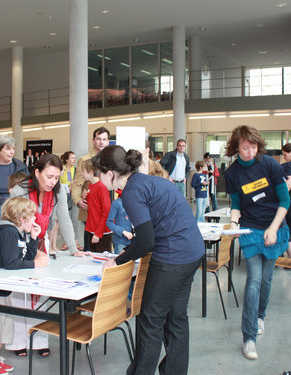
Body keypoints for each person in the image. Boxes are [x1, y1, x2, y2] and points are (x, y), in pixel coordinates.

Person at [93, 145, 204, 375]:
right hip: (192, 251)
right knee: (176, 317)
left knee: (150, 320)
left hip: (173, 257)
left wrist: (118, 260)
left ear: (110, 173)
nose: (99, 179)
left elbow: (146, 241)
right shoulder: (151, 181)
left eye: (99, 174)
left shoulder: (132, 191)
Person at [7, 154, 87, 357]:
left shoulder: (59, 192)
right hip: (20, 243)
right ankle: (19, 342)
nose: (53, 182)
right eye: (49, 176)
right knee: (20, 293)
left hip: (40, 243)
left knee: (40, 293)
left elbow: (65, 219)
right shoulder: (21, 190)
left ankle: (39, 338)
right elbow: (12, 220)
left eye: (56, 177)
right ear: (37, 172)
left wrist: (73, 248)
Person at [224, 125, 289, 360]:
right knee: (254, 281)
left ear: (258, 145)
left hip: (274, 228)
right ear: (236, 147)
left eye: (253, 146)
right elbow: (236, 203)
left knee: (267, 280)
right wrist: (233, 223)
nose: (249, 151)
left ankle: (260, 316)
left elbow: (285, 200)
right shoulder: (232, 174)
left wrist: (273, 228)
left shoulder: (269, 164)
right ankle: (248, 338)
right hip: (250, 230)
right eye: (244, 147)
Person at [0, 197, 47, 373]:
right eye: (32, 217)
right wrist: (35, 264)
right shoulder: (9, 233)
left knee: (5, 326)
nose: (35, 219)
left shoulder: (18, 233)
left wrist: (34, 238)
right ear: (22, 219)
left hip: (5, 288)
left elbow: (25, 258)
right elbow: (12, 263)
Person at [71, 127, 110, 251]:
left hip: (109, 207)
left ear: (108, 141)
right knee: (90, 247)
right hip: (90, 209)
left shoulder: (112, 160)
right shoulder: (85, 160)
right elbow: (77, 184)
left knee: (106, 245)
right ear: (93, 140)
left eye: (104, 139)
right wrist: (78, 200)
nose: (101, 142)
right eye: (98, 139)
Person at [0, 135, 29, 206]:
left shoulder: (21, 167)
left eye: (13, 149)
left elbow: (29, 188)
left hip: (17, 206)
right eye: (8, 149)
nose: (12, 152)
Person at [81, 159, 112, 253]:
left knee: (102, 261)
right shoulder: (91, 185)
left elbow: (106, 212)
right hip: (92, 228)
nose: (82, 174)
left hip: (102, 232)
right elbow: (93, 206)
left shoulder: (102, 187)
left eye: (83, 171)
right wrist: (84, 198)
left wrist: (98, 233)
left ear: (90, 172)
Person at [58, 150, 81, 251]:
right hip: (63, 197)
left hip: (74, 197)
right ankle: (66, 242)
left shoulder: (76, 170)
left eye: (75, 158)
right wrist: (68, 186)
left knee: (75, 219)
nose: (74, 160)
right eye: (72, 158)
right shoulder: (61, 170)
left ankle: (75, 241)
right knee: (64, 219)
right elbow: (58, 183)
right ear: (66, 160)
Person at [106, 189, 133, 254]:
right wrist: (123, 231)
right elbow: (109, 222)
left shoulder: (135, 202)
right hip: (120, 242)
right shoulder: (117, 203)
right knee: (120, 262)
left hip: (133, 241)